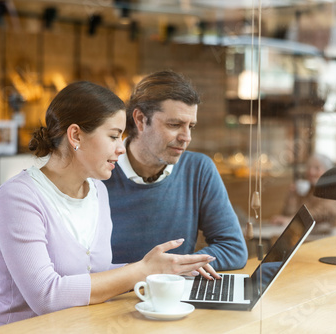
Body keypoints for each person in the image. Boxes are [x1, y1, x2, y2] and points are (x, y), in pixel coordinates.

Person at [0, 81, 219, 329]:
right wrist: (141, 270)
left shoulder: (97, 191)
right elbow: (46, 296)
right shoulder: (18, 197)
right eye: (114, 136)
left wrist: (163, 269)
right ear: (75, 135)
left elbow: (99, 273)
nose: (120, 148)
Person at [103, 70, 248, 270]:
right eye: (174, 124)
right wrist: (150, 271)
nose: (186, 137)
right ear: (140, 120)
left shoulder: (198, 169)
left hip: (174, 296)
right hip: (113, 297)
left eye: (191, 126)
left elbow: (233, 249)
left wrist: (174, 267)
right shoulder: (99, 172)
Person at [270, 153, 336, 235]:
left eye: (317, 168)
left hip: (324, 238)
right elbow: (289, 214)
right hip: (304, 236)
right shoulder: (308, 191)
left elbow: (322, 212)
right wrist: (292, 197)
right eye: (308, 168)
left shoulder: (331, 191)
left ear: (328, 172)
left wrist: (293, 220)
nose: (311, 172)